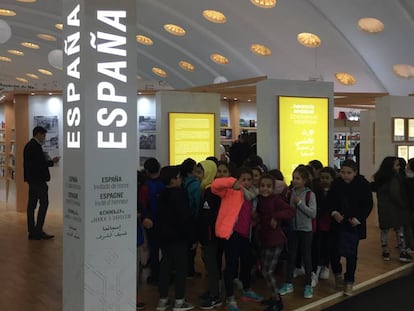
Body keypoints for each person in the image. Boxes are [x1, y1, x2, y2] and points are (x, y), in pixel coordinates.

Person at [212, 166, 262, 311]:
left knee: (247, 261)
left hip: (245, 234)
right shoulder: (231, 190)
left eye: (249, 179)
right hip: (232, 233)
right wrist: (233, 182)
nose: (246, 182)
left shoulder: (253, 194)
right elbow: (215, 186)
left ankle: (246, 290)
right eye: (243, 179)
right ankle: (230, 298)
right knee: (231, 265)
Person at [328, 159, 373, 296]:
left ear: (355, 172)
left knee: (351, 254)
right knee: (334, 251)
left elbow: (368, 204)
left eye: (348, 172)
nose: (345, 175)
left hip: (353, 224)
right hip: (338, 222)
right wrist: (334, 213)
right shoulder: (336, 184)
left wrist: (358, 219)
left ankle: (349, 281)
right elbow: (331, 201)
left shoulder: (363, 185)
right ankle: (337, 274)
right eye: (343, 172)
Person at [156, 165, 194, 311]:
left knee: (165, 267)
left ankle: (163, 299)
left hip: (164, 238)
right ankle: (179, 301)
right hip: (179, 238)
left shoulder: (161, 195)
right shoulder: (180, 194)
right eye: (178, 177)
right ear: (173, 180)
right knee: (180, 269)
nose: (181, 179)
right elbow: (185, 218)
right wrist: (191, 237)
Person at [256, 174, 295, 311]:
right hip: (265, 239)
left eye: (268, 186)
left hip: (275, 240)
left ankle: (278, 301)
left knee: (267, 271)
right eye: (262, 186)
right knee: (265, 270)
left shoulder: (275, 200)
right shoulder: (259, 199)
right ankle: (274, 297)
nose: (265, 189)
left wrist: (276, 216)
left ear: (273, 188)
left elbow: (290, 211)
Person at [279, 166, 316, 299]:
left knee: (306, 257)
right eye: (294, 178)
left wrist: (300, 203)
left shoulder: (310, 194)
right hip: (293, 229)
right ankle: (288, 283)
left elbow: (313, 213)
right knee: (291, 256)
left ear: (305, 180)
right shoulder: (291, 192)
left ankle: (308, 285)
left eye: (298, 178)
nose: (295, 181)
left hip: (306, 230)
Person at [371, 156, 413, 262]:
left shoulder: (379, 178)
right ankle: (402, 252)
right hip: (396, 209)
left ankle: (385, 252)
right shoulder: (395, 179)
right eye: (397, 165)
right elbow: (395, 194)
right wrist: (404, 205)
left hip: (383, 208)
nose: (399, 167)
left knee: (384, 230)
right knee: (399, 231)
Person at [23, 126, 60, 240]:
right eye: (43, 135)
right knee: (44, 203)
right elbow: (40, 164)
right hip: (38, 181)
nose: (44, 137)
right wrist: (52, 162)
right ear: (38, 134)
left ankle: (32, 231)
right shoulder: (35, 146)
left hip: (32, 181)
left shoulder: (28, 145)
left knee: (31, 206)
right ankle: (38, 231)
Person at [140, 157, 165, 285]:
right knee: (165, 250)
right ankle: (164, 275)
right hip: (164, 222)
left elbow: (143, 205)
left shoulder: (145, 187)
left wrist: (145, 217)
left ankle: (155, 276)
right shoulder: (164, 184)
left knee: (154, 250)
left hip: (151, 222)